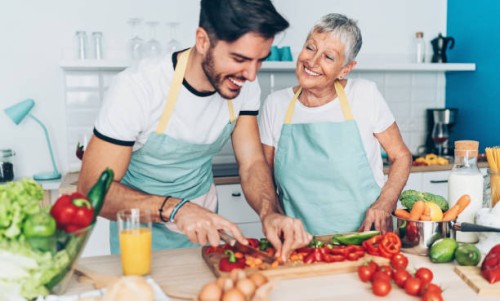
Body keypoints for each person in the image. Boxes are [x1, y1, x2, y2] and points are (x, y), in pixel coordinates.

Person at [77, 0, 312, 258]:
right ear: (202, 41)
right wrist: (177, 209)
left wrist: (270, 213)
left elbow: (252, 162)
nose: (252, 75)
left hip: (205, 225)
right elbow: (92, 190)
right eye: (239, 59)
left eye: (260, 61)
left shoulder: (244, 86)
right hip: (141, 232)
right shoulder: (138, 89)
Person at [258, 13, 412, 236]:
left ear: (345, 69)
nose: (312, 61)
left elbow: (401, 156)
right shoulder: (275, 104)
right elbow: (264, 176)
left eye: (328, 57)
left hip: (366, 236)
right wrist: (276, 217)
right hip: (301, 243)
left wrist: (385, 204)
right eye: (310, 48)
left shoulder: (364, 94)